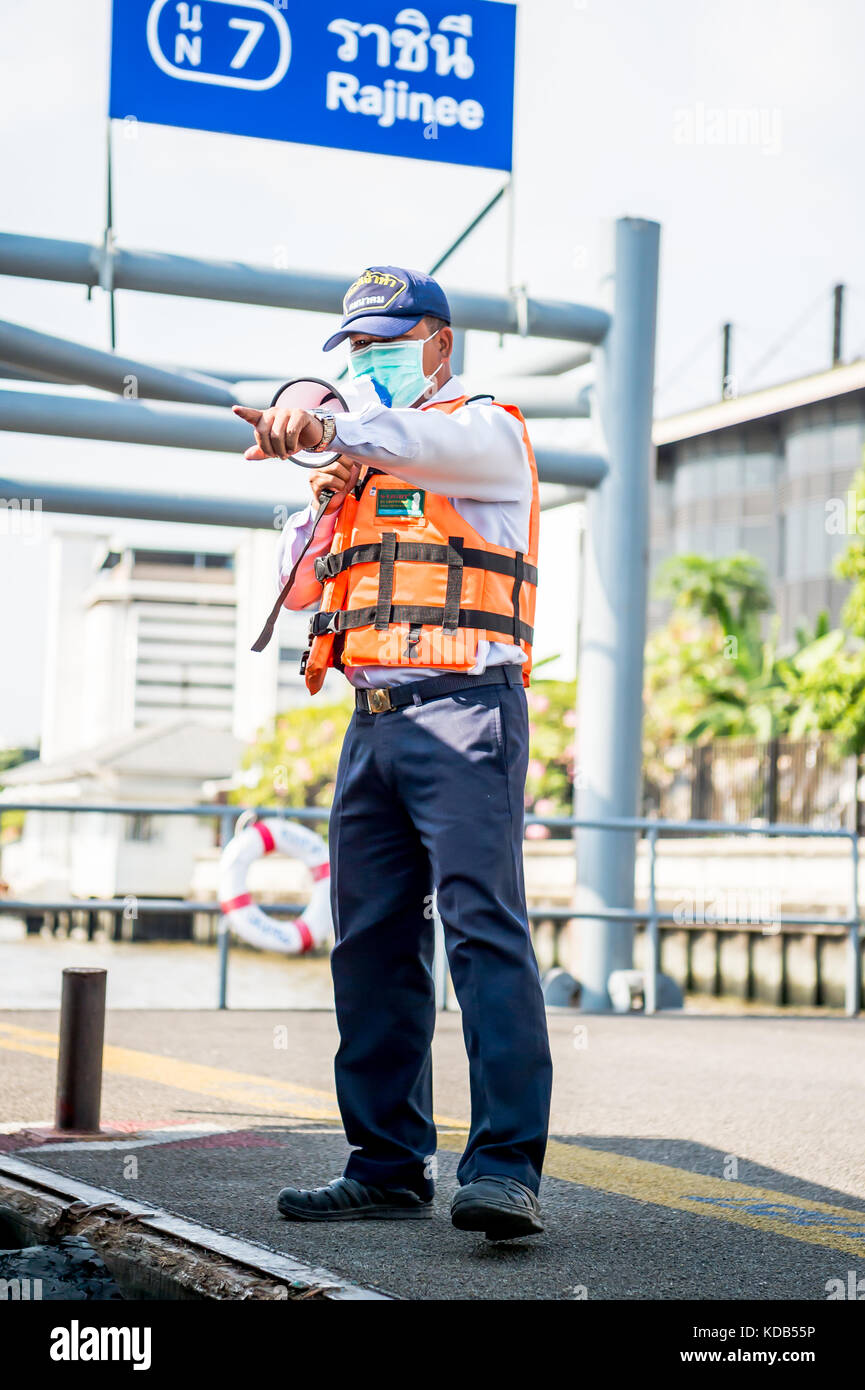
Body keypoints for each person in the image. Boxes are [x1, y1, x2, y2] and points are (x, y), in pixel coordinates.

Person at [233, 266, 553, 1240]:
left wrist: (327, 420)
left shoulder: (484, 432)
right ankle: (385, 1161)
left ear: (439, 345)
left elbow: (416, 436)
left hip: (466, 714)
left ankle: (502, 1169)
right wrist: (325, 487)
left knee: (480, 932)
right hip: (371, 721)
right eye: (357, 349)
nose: (372, 361)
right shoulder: (360, 467)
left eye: (387, 342)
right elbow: (295, 593)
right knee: (370, 939)